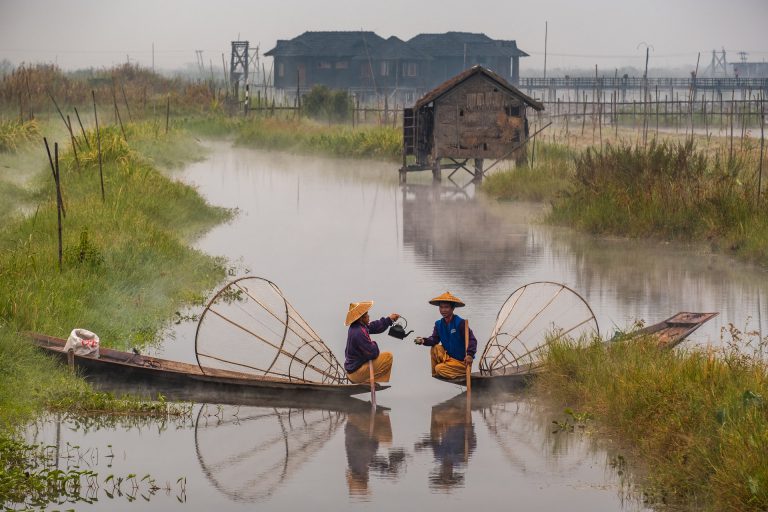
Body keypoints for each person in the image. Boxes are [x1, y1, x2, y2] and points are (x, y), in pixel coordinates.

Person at [414, 292, 477, 379]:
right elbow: (434, 339)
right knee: (435, 348)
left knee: (439, 368)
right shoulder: (439, 324)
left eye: (446, 307)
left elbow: (472, 340)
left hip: (462, 363)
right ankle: (438, 372)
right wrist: (423, 340)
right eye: (441, 307)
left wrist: (470, 355)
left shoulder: (461, 323)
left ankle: (457, 372)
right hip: (449, 359)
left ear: (453, 308)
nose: (443, 310)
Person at [344, 301, 399, 383]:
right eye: (367, 315)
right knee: (388, 357)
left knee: (380, 355)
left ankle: (369, 379)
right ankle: (368, 380)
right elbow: (373, 352)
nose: (369, 316)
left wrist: (389, 319)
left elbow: (375, 326)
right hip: (356, 374)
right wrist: (374, 343)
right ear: (361, 318)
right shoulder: (358, 332)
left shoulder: (358, 326)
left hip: (354, 369)